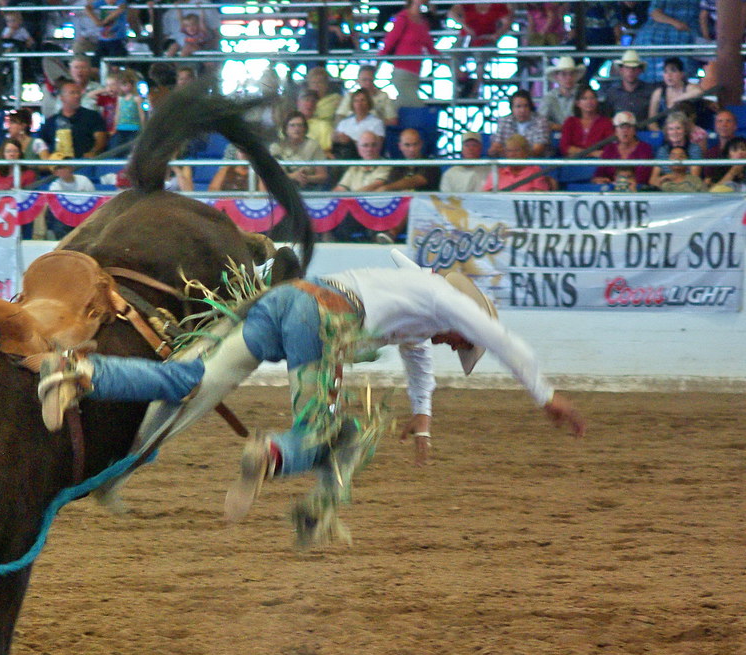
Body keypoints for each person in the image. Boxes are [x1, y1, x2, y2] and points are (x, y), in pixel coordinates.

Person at [36, 250, 585, 547]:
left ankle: (79, 371)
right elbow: (504, 341)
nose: (455, 346)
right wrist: (547, 395)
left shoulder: (420, 308)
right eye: (461, 343)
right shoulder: (445, 300)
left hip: (282, 303)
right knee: (336, 432)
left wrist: (422, 421)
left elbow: (419, 363)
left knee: (188, 379)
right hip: (320, 320)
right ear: (465, 323)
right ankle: (274, 456)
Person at [373, 128, 440, 243]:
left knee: (413, 201)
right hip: (397, 206)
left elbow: (418, 180)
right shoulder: (398, 167)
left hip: (426, 209)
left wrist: (387, 187)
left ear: (421, 144)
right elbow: (391, 187)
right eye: (407, 145)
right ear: (400, 146)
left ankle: (392, 234)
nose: (412, 149)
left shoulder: (430, 164)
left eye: (415, 144)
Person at [376, 0, 439, 108]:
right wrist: (377, 63)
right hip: (403, 71)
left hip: (414, 73)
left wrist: (449, 63)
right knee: (415, 104)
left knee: (403, 103)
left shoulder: (423, 22)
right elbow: (390, 41)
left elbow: (431, 47)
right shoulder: (403, 18)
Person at [448, 2, 513, 95]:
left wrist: (497, 35)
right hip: (466, 38)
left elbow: (507, 22)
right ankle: (459, 84)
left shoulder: (497, 5)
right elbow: (451, 13)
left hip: (485, 39)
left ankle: (476, 89)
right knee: (453, 55)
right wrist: (465, 26)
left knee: (481, 58)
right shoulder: (467, 4)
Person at [38, 81, 107, 160]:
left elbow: (101, 138)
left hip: (84, 162)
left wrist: (93, 152)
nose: (77, 96)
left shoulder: (92, 116)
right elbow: (40, 142)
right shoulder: (51, 122)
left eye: (78, 93)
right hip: (58, 164)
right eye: (72, 93)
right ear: (61, 97)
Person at [633, 0, 700, 82]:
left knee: (686, 43)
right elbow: (654, 12)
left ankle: (682, 80)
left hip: (687, 29)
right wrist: (675, 23)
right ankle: (650, 81)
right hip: (660, 27)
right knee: (648, 41)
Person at [269, 111, 329, 191]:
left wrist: (307, 178)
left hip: (309, 187)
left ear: (305, 128)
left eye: (300, 125)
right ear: (285, 129)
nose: (296, 129)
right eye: (292, 125)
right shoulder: (276, 147)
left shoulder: (314, 145)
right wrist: (294, 176)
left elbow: (322, 176)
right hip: (283, 188)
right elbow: (274, 175)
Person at [592, 111, 653, 187]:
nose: (625, 130)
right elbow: (598, 174)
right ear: (615, 131)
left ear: (634, 130)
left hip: (636, 190)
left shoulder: (644, 148)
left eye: (629, 127)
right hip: (612, 190)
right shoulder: (609, 148)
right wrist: (600, 180)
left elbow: (643, 176)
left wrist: (622, 183)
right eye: (621, 127)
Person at [488, 89, 550, 158]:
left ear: (531, 107)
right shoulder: (504, 121)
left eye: (526, 106)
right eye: (518, 106)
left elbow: (538, 150)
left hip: (534, 162)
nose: (522, 110)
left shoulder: (541, 122)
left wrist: (511, 152)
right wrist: (496, 150)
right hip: (508, 162)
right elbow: (495, 147)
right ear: (511, 108)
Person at [483, 134, 557, 191]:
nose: (512, 154)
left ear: (526, 152)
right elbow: (486, 197)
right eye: (509, 151)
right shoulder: (497, 173)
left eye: (517, 150)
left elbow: (539, 198)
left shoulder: (536, 172)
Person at [647, 56, 703, 129]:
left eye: (673, 71)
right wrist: (659, 133)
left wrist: (676, 100)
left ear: (682, 74)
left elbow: (699, 92)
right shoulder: (658, 93)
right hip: (665, 132)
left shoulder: (688, 88)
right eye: (665, 71)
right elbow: (651, 121)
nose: (669, 75)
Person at [559, 84, 615, 158]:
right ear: (578, 103)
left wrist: (578, 152)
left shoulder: (605, 122)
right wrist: (592, 153)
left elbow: (609, 149)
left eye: (592, 98)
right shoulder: (570, 122)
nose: (589, 102)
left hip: (597, 162)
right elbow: (565, 148)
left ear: (597, 101)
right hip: (573, 162)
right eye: (584, 98)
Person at [649, 111, 702, 186]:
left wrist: (669, 177)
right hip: (666, 188)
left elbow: (694, 179)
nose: (675, 132)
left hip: (687, 189)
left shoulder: (694, 149)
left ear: (685, 130)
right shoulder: (663, 150)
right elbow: (652, 180)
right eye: (671, 129)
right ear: (667, 132)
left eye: (678, 128)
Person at [602, 49, 654, 123]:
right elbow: (607, 118)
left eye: (634, 68)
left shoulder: (649, 91)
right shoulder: (612, 93)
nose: (630, 71)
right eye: (627, 67)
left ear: (639, 70)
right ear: (621, 70)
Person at [332, 89, 386, 158]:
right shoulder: (343, 123)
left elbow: (377, 146)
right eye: (356, 101)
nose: (359, 104)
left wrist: (350, 141)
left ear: (368, 103)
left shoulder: (377, 123)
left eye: (362, 100)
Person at [538, 55, 584, 133]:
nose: (568, 78)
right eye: (564, 74)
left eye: (571, 74)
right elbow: (541, 121)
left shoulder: (583, 93)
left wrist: (560, 127)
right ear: (557, 77)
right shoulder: (550, 97)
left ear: (575, 76)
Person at [85, 0, 128, 65]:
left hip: (118, 40)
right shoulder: (102, 2)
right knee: (96, 63)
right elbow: (87, 8)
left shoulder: (121, 2)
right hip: (102, 40)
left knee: (115, 64)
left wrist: (105, 21)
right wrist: (96, 20)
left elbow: (121, 8)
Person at [111, 69, 145, 150]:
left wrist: (143, 127)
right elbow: (117, 113)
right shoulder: (120, 98)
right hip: (121, 127)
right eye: (123, 84)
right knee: (116, 147)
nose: (125, 87)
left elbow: (142, 114)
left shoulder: (137, 98)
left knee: (132, 148)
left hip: (134, 127)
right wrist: (115, 126)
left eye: (127, 84)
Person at [705, 109, 741, 184]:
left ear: (735, 126)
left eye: (728, 121)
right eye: (720, 121)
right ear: (715, 127)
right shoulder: (711, 153)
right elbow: (708, 180)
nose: (724, 125)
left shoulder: (744, 148)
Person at [296, 90, 333, 156]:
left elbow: (327, 151)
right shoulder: (289, 124)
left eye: (313, 101)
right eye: (306, 100)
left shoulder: (323, 126)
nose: (310, 104)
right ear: (298, 103)